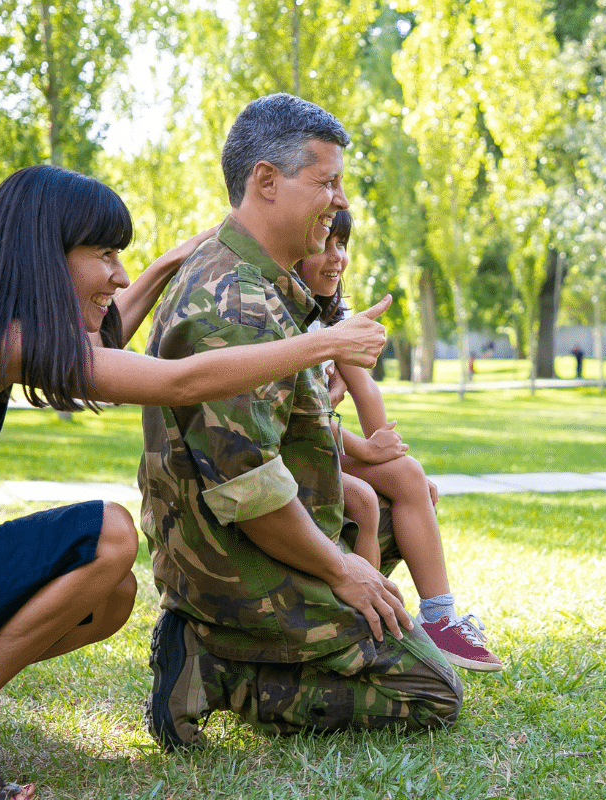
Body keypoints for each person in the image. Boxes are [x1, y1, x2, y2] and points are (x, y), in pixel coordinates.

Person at [0, 164, 389, 800]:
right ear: (45, 251)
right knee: (108, 537)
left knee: (111, 597)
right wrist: (324, 343)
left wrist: (176, 258)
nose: (118, 274)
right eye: (105, 253)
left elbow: (106, 331)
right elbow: (177, 381)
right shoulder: (6, 343)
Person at [138, 93, 463, 753]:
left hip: (266, 543)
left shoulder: (262, 285)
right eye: (326, 182)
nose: (339, 202)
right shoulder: (236, 305)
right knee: (431, 693)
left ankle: (272, 644)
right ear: (265, 181)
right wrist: (345, 571)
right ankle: (217, 664)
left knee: (402, 517)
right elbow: (250, 494)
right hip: (237, 569)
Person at [295, 208, 502, 672]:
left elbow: (363, 387)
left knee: (411, 481)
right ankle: (382, 625)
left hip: (322, 443)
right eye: (326, 243)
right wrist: (368, 452)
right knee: (371, 499)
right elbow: (298, 414)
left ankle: (435, 618)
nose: (337, 258)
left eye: (342, 245)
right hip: (296, 448)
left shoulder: (332, 315)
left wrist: (383, 444)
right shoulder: (283, 315)